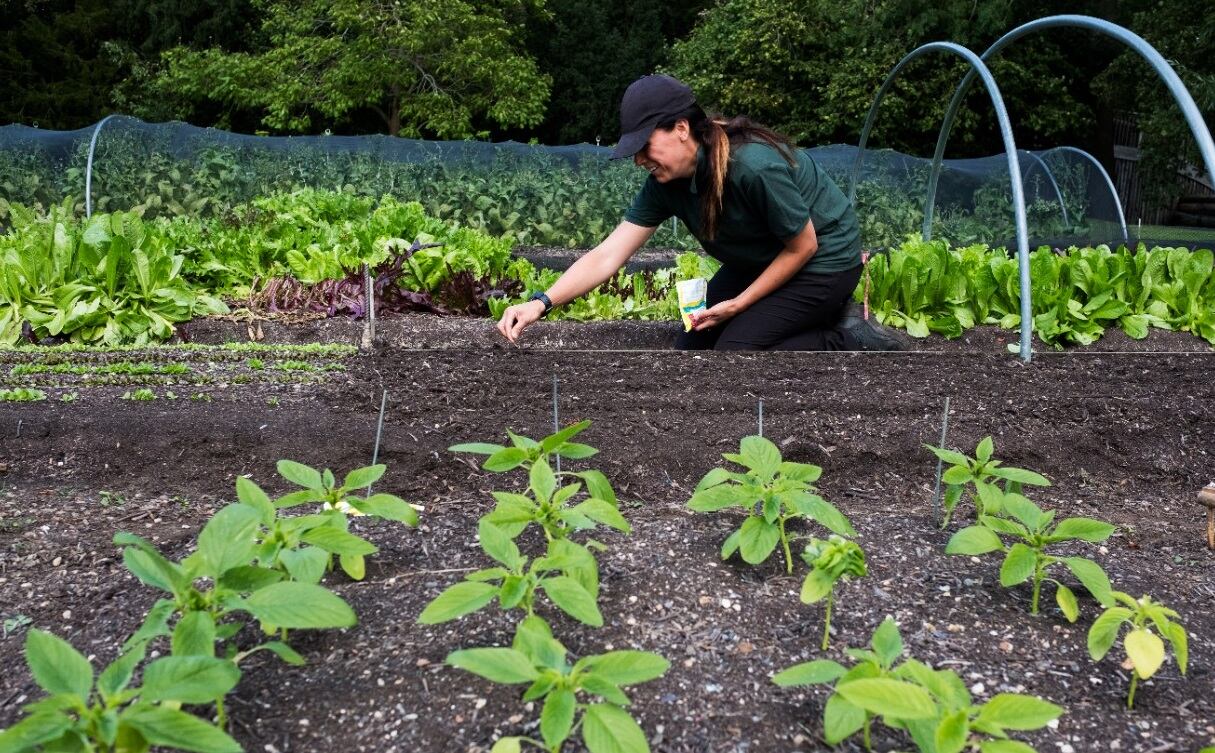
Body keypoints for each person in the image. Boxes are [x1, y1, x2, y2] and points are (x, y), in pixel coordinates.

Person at [497, 73, 906, 351]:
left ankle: (844, 334)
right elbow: (610, 254)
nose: (639, 159)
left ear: (680, 128)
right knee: (691, 345)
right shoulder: (665, 182)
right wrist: (540, 303)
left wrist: (740, 304)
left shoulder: (751, 166)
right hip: (762, 259)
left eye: (644, 146)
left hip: (824, 261)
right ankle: (804, 320)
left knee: (736, 350)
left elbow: (804, 246)